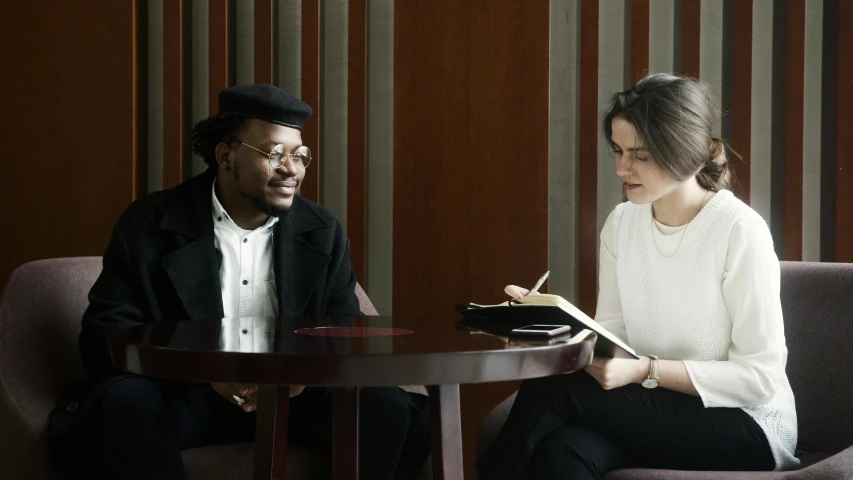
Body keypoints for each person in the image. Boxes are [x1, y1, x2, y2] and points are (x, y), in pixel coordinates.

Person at [49, 84, 430, 479]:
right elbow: (104, 336)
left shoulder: (321, 230)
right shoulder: (148, 223)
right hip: (184, 394)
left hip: (294, 398)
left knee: (383, 404)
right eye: (275, 154)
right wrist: (206, 370)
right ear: (226, 156)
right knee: (127, 401)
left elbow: (342, 331)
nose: (292, 170)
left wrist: (301, 377)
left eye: (300, 156)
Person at [477, 73, 798, 479]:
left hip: (747, 425)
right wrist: (550, 325)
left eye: (640, 155)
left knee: (554, 390)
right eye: (618, 150)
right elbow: (615, 339)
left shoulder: (738, 230)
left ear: (684, 152)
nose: (621, 168)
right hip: (653, 407)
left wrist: (646, 369)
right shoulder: (622, 223)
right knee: (564, 452)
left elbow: (759, 378)